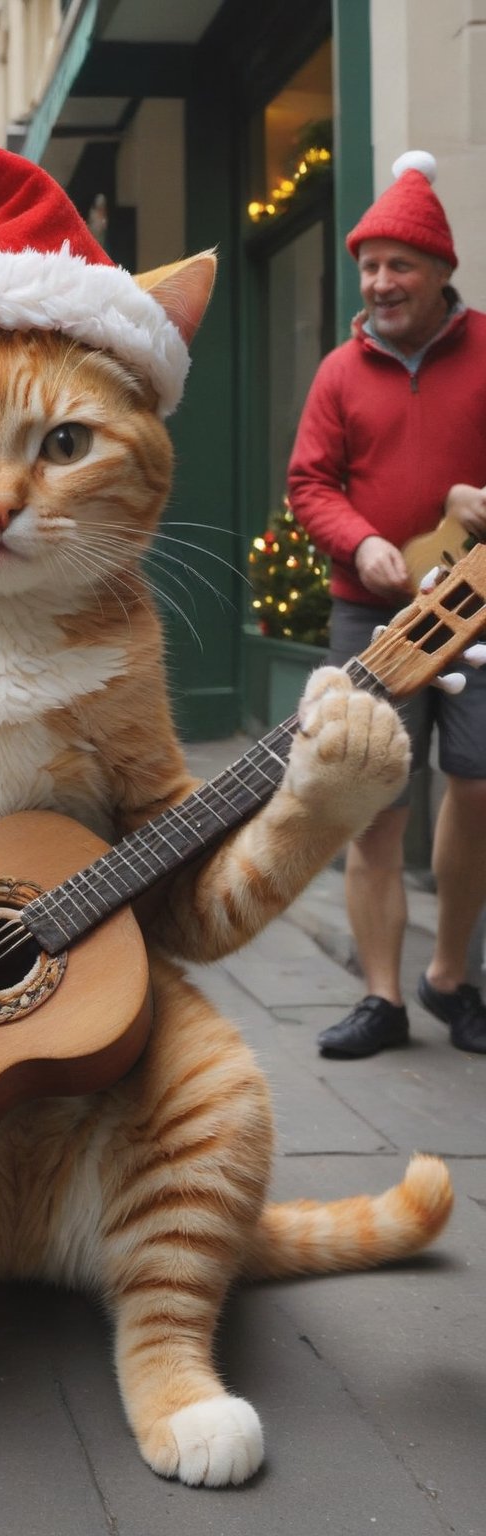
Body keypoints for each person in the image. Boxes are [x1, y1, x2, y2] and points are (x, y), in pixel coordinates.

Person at [287, 149, 486, 1060]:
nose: (379, 280)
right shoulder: (338, 372)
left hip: (480, 607)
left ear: (442, 271)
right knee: (374, 805)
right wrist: (361, 540)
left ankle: (448, 979)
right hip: (370, 615)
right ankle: (380, 999)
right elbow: (309, 482)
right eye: (369, 265)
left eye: (399, 264)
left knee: (477, 791)